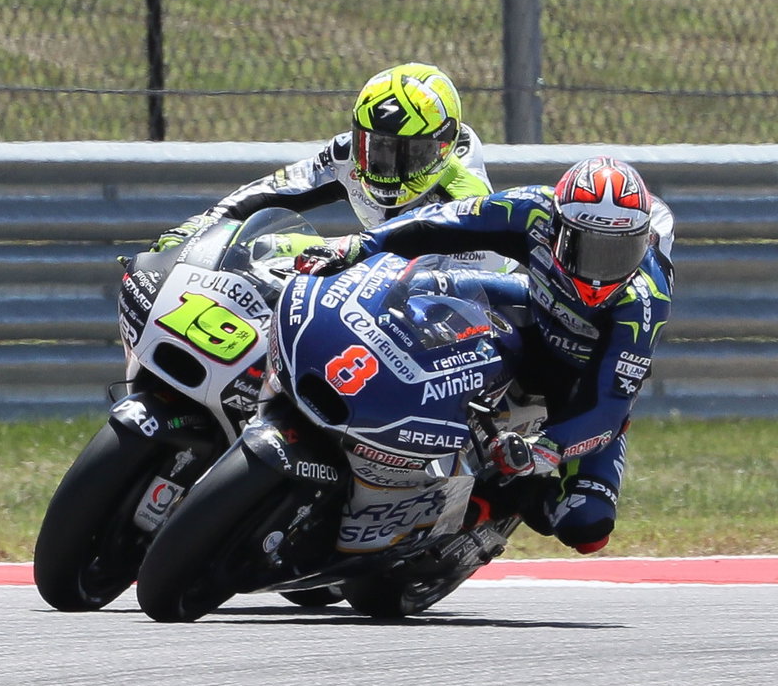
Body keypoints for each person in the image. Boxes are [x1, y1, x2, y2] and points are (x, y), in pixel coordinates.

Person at [295, 156, 675, 554]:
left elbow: (609, 409)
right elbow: (442, 221)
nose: (603, 271)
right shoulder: (532, 210)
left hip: (582, 384)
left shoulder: (644, 302)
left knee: (587, 527)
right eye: (590, 249)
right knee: (415, 287)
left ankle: (493, 504)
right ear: (559, 227)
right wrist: (359, 245)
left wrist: (544, 448)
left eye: (620, 252)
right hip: (531, 314)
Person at [150, 62, 498, 262]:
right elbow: (270, 191)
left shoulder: (466, 195)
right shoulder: (346, 155)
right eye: (377, 149)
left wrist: (330, 251)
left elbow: (439, 268)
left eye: (409, 153)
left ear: (441, 147)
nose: (387, 166)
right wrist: (197, 229)